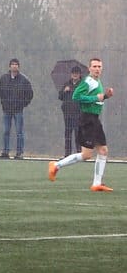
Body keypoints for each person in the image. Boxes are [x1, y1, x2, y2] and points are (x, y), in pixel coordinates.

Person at [48, 58, 115, 192]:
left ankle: (96, 184)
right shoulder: (87, 81)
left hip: (95, 119)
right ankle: (56, 165)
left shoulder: (97, 81)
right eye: (94, 66)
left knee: (103, 151)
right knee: (86, 155)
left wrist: (105, 96)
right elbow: (76, 96)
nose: (97, 69)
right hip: (87, 120)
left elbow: (98, 98)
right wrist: (96, 98)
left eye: (99, 66)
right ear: (89, 69)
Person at [0, 58, 33, 159]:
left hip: (18, 110)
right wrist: (4, 104)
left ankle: (19, 152)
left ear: (19, 66)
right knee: (6, 131)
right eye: (12, 64)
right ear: (9, 66)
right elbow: (1, 92)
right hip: (6, 110)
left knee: (19, 132)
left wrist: (22, 104)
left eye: (16, 64)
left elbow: (30, 94)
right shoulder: (3, 78)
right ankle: (5, 152)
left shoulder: (24, 80)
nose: (14, 66)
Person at [58, 66, 82, 157]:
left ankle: (79, 153)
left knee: (78, 133)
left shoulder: (82, 85)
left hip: (78, 113)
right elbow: (60, 97)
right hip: (67, 113)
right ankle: (67, 153)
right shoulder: (66, 84)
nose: (75, 75)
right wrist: (64, 91)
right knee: (68, 133)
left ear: (80, 75)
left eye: (77, 73)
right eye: (73, 73)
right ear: (71, 74)